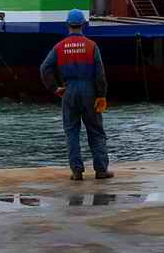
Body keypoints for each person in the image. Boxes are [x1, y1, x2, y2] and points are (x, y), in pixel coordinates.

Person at [40, 9, 113, 181]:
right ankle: (101, 170)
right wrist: (101, 95)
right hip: (89, 91)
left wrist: (54, 88)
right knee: (95, 131)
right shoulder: (92, 46)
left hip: (69, 90)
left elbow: (44, 68)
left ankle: (77, 171)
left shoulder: (59, 47)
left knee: (71, 132)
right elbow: (100, 75)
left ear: (67, 25)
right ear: (83, 24)